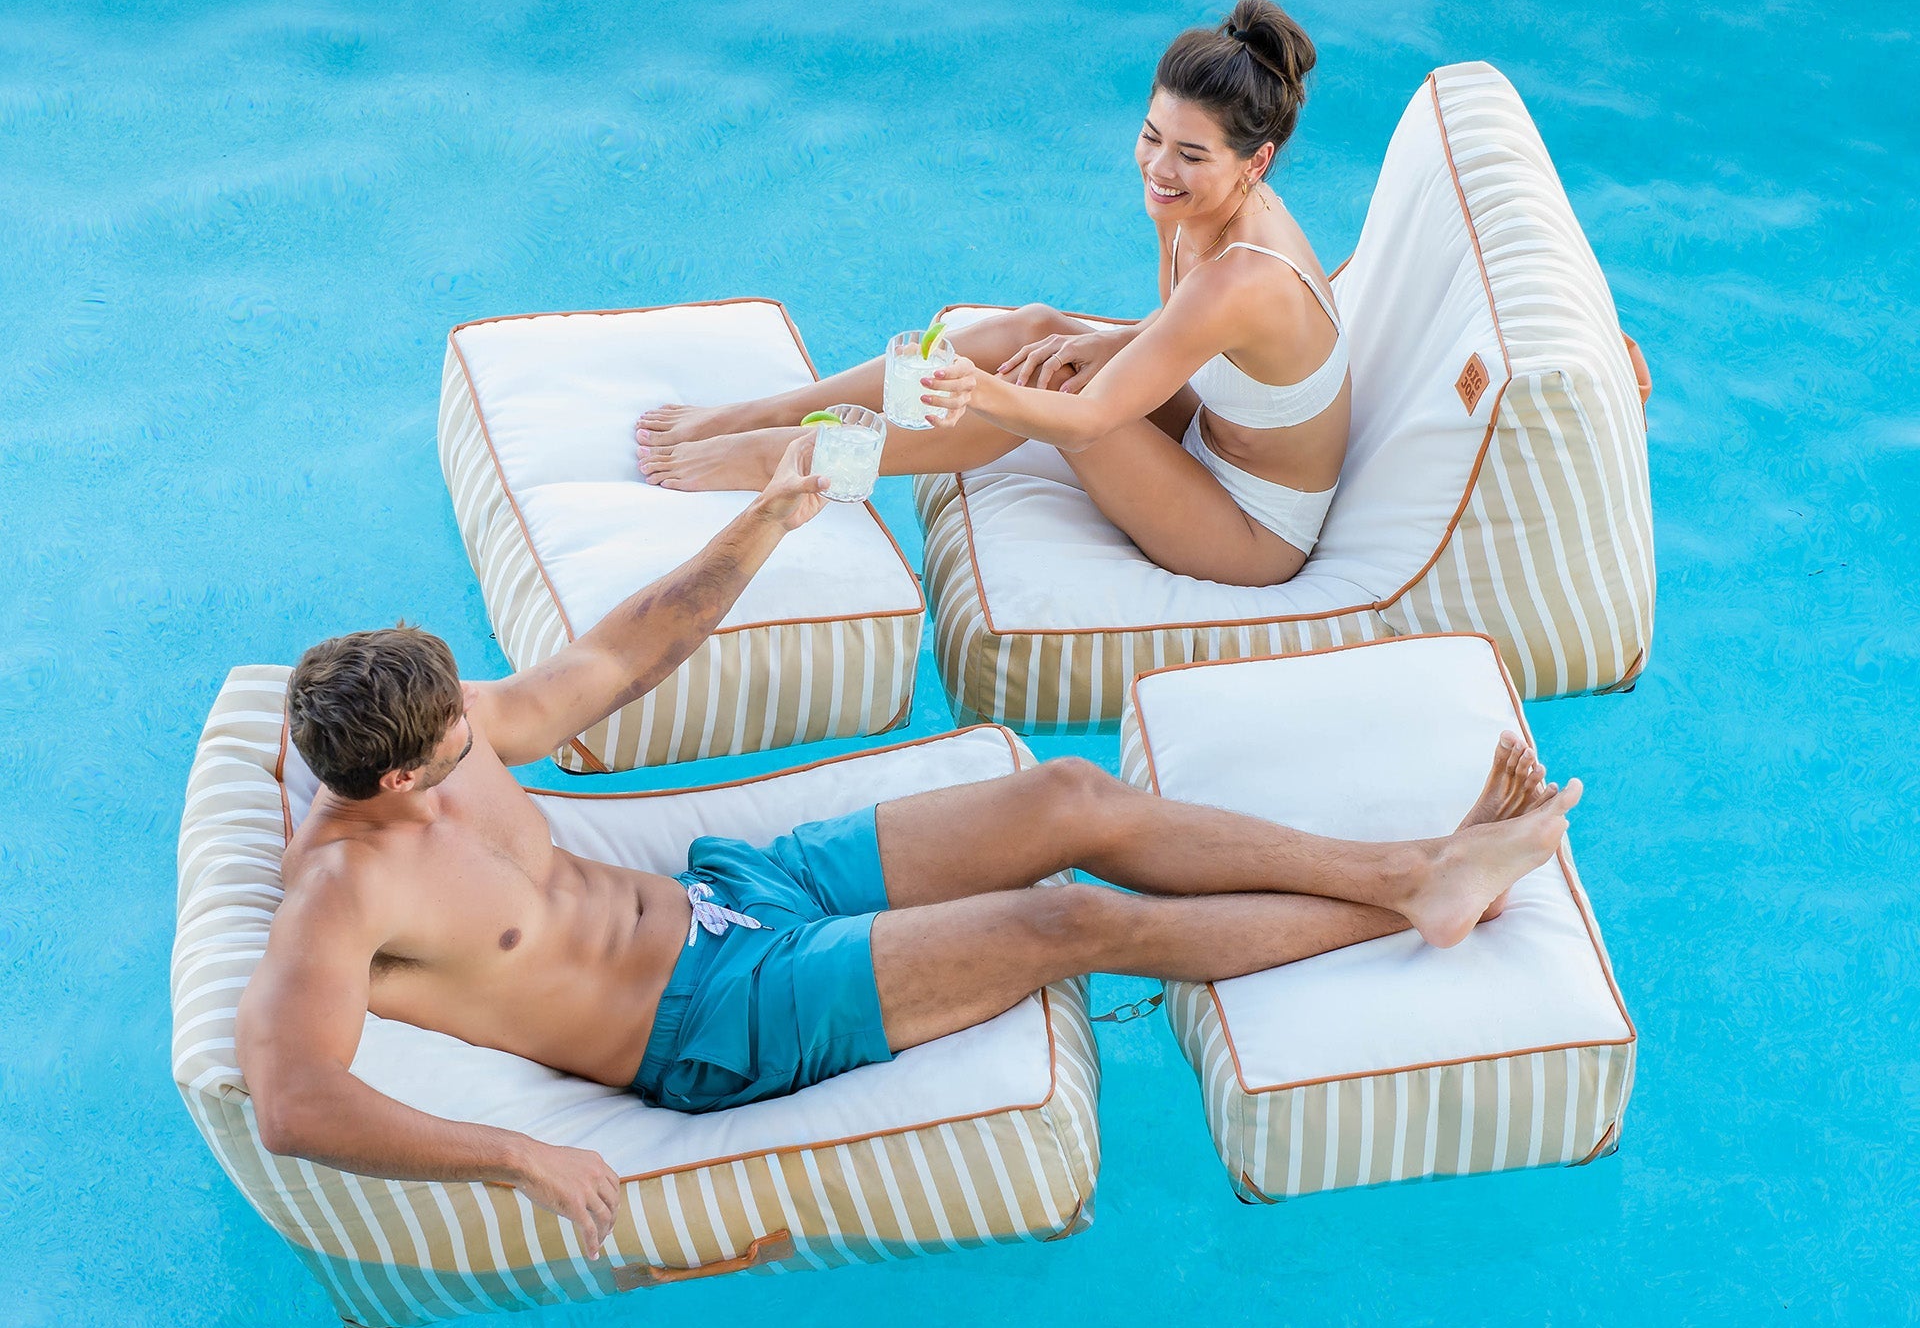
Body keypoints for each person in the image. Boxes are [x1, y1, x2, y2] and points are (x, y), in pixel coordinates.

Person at [237, 443, 1580, 1264]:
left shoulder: (439, 724)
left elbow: (614, 652)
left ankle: (1406, 869)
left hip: (727, 895)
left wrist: (767, 517)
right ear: (397, 778)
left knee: (1063, 793)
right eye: (460, 734)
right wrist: (513, 1156)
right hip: (711, 1020)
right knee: (1064, 921)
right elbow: (294, 1102)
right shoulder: (345, 891)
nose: (487, 722)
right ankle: (1421, 888)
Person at [635, 0, 1349, 589]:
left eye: (1190, 155)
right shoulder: (1202, 207)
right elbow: (1184, 324)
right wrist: (1105, 340)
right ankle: (777, 409)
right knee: (1036, 330)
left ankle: (792, 456)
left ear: (1256, 161)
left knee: (1053, 395)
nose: (1158, 168)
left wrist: (974, 390)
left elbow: (1093, 419)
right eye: (1151, 135)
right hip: (1212, 439)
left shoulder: (1247, 275)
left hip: (1249, 527)